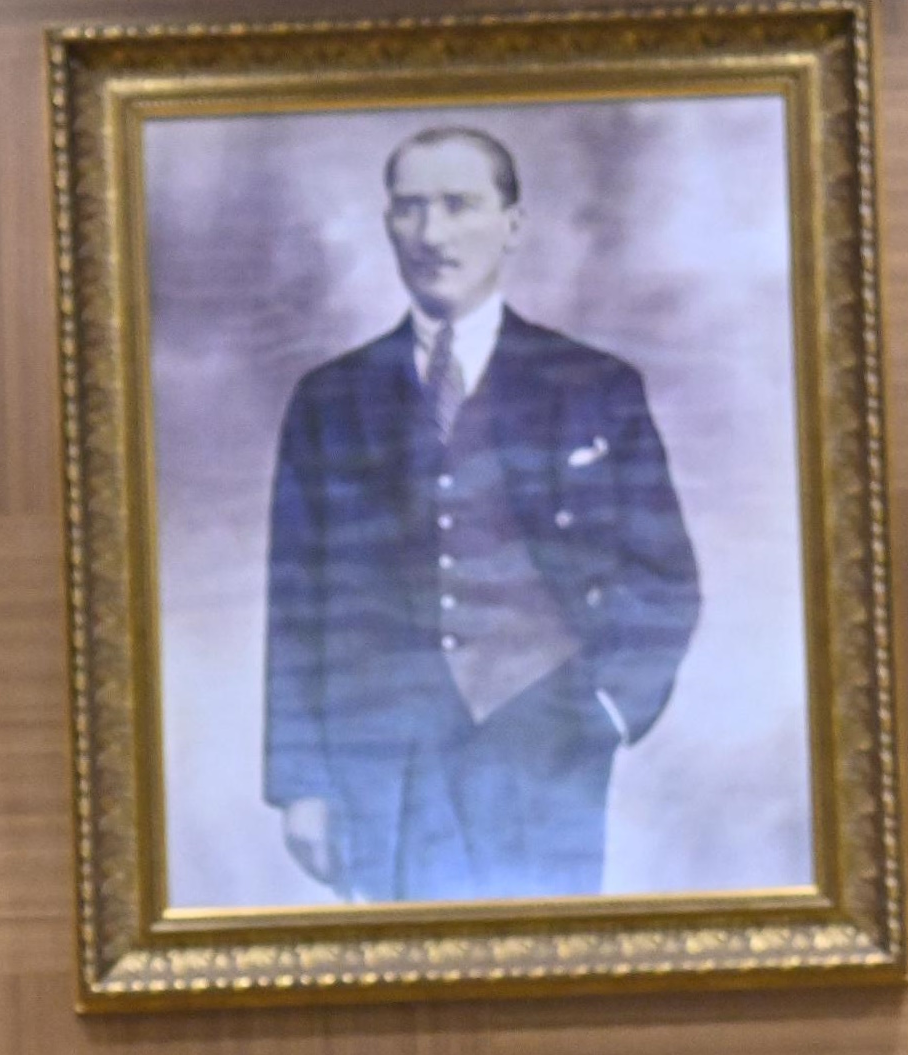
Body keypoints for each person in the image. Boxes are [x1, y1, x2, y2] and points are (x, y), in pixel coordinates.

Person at [262, 126, 700, 903]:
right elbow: (298, 603)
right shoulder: (330, 399)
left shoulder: (593, 385)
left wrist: (607, 707)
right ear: (388, 223)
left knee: (549, 961)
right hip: (384, 760)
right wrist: (302, 783)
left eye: (459, 205)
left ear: (511, 223)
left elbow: (663, 575)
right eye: (410, 208)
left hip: (545, 749)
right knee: (405, 973)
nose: (432, 234)